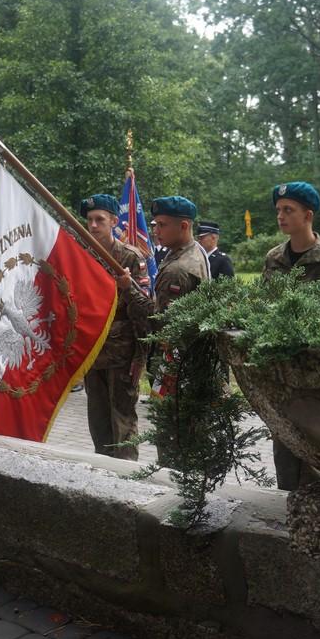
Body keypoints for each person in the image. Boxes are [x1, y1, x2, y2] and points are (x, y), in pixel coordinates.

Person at [262, 181, 320, 490]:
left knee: (317, 447)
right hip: (280, 371)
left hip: (314, 374)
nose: (281, 216)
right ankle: (286, 502)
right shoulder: (274, 258)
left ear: (308, 215)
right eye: (278, 210)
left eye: (289, 210)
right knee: (283, 443)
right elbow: (263, 309)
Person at [79, 194, 155, 460]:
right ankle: (102, 470)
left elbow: (145, 310)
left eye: (100, 219)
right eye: (89, 220)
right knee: (98, 420)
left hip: (122, 355)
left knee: (122, 420)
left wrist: (140, 357)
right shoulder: (82, 254)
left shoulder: (129, 257)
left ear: (114, 221)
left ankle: (126, 473)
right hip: (92, 352)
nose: (93, 225)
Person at [150, 195, 211, 464]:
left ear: (184, 226)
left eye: (162, 225)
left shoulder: (178, 269)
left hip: (176, 366)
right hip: (192, 364)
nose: (156, 230)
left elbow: (161, 323)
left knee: (172, 442)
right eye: (155, 224)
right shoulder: (194, 251)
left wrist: (129, 290)